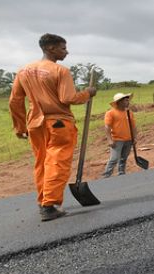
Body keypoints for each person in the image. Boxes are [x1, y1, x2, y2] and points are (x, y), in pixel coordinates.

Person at [9, 33, 96, 222]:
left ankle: (43, 200)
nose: (66, 52)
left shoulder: (23, 71)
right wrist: (87, 93)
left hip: (35, 125)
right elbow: (68, 98)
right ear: (50, 48)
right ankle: (50, 205)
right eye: (63, 48)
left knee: (41, 163)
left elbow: (15, 101)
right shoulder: (60, 71)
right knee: (57, 161)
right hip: (58, 123)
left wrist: (19, 126)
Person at [102, 93, 137, 178]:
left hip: (128, 139)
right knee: (114, 159)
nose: (128, 102)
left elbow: (133, 126)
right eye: (126, 100)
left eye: (128, 100)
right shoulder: (111, 113)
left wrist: (134, 138)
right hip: (117, 140)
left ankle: (121, 173)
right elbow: (107, 127)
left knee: (124, 158)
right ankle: (106, 175)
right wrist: (109, 140)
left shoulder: (129, 112)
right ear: (119, 102)